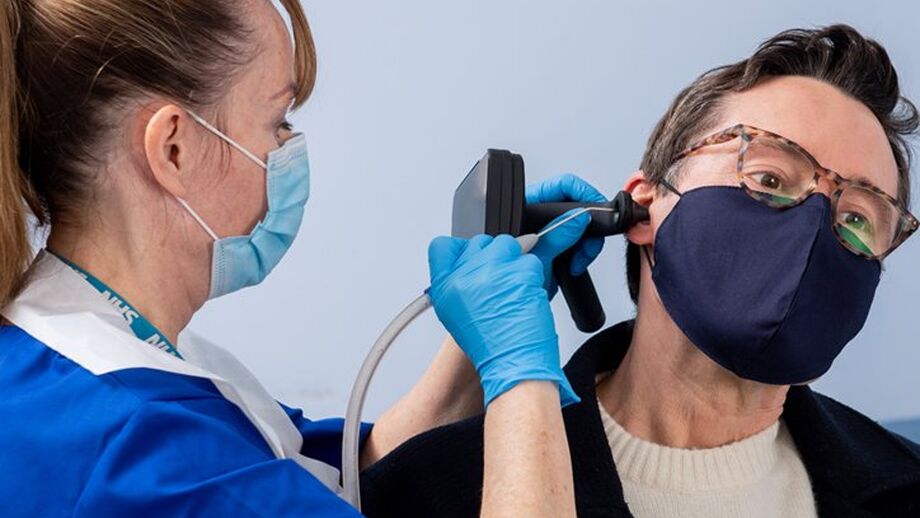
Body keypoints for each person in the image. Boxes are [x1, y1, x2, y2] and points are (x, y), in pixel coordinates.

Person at [0, 1, 603, 516]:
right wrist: (521, 373)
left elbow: (332, 480)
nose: (289, 150)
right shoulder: (144, 452)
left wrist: (481, 342)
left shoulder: (108, 362)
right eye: (276, 120)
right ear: (174, 150)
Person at [360, 24, 920, 517]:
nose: (813, 228)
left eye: (855, 217)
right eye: (770, 178)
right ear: (645, 206)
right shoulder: (430, 489)